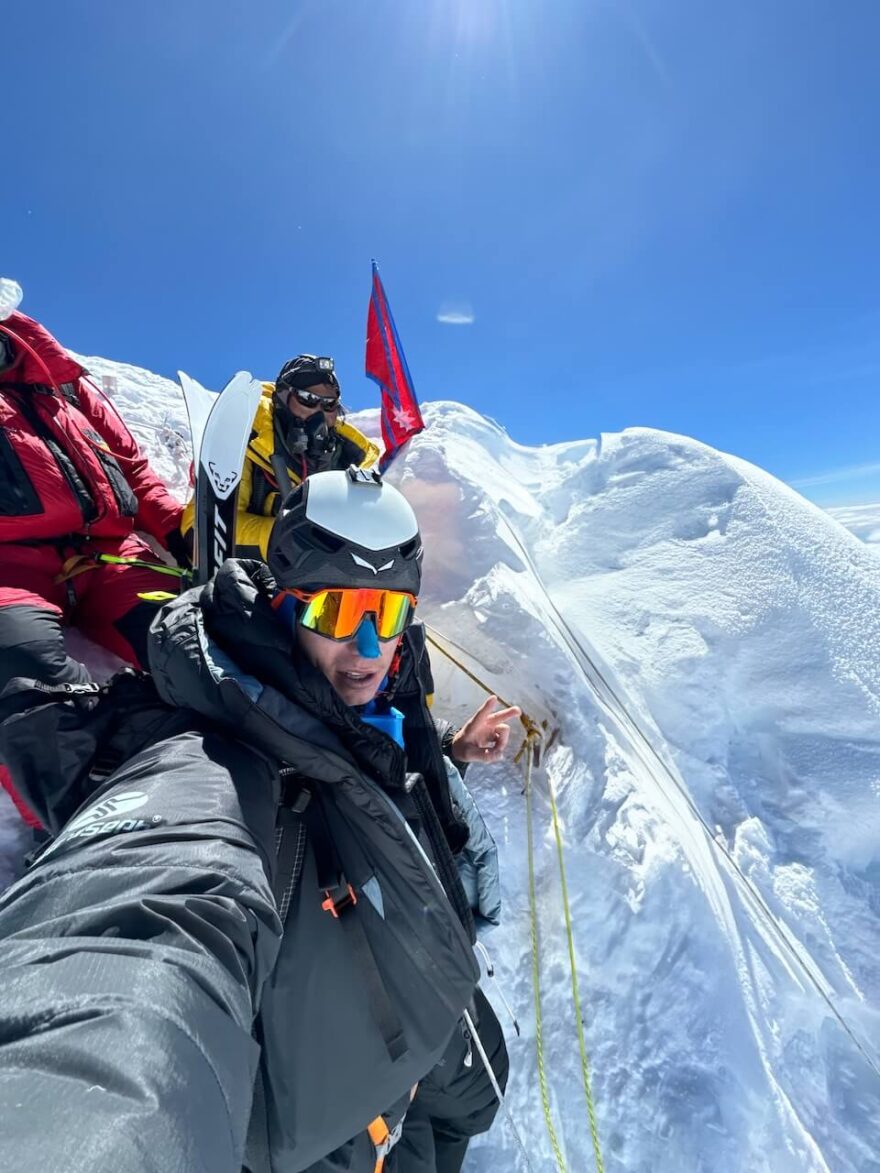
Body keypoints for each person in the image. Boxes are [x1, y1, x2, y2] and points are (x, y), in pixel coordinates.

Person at [0, 467, 512, 1172]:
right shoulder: (217, 763)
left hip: (435, 1021)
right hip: (334, 1116)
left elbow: (369, 754)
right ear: (282, 602)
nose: (369, 649)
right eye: (336, 611)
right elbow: (144, 935)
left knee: (477, 1106)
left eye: (388, 613)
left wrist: (447, 749)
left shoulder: (382, 693)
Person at [0, 309, 188, 830]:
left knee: (196, 642)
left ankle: (266, 774)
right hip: (9, 569)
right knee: (23, 678)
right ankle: (92, 836)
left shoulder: (64, 384)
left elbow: (134, 471)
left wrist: (181, 530)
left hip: (110, 555)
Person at [181, 352, 380, 561]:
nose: (319, 413)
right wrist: (289, 539)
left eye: (329, 404)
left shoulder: (350, 461)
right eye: (308, 399)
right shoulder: (244, 440)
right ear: (282, 400)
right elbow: (198, 526)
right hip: (249, 574)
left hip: (330, 575)